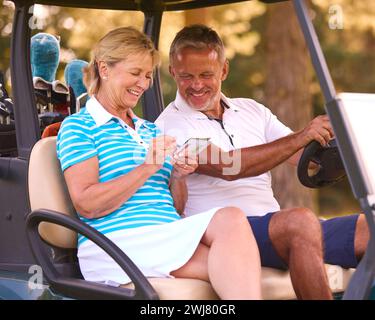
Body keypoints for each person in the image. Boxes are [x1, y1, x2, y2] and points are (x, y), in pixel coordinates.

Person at [155, 24, 369, 300]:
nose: (196, 85)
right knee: (300, 221)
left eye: (206, 74)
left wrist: (335, 143)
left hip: (275, 230)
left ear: (223, 70)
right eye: (186, 76)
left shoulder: (253, 111)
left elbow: (305, 158)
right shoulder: (169, 127)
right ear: (173, 72)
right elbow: (229, 166)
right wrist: (303, 136)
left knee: (370, 227)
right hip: (226, 237)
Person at [56, 27, 262, 300]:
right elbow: (87, 203)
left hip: (163, 236)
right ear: (104, 69)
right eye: (135, 73)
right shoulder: (79, 127)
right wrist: (147, 168)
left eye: (148, 75)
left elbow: (175, 207)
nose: (143, 83)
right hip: (117, 243)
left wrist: (177, 175)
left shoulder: (149, 131)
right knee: (233, 243)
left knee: (233, 238)